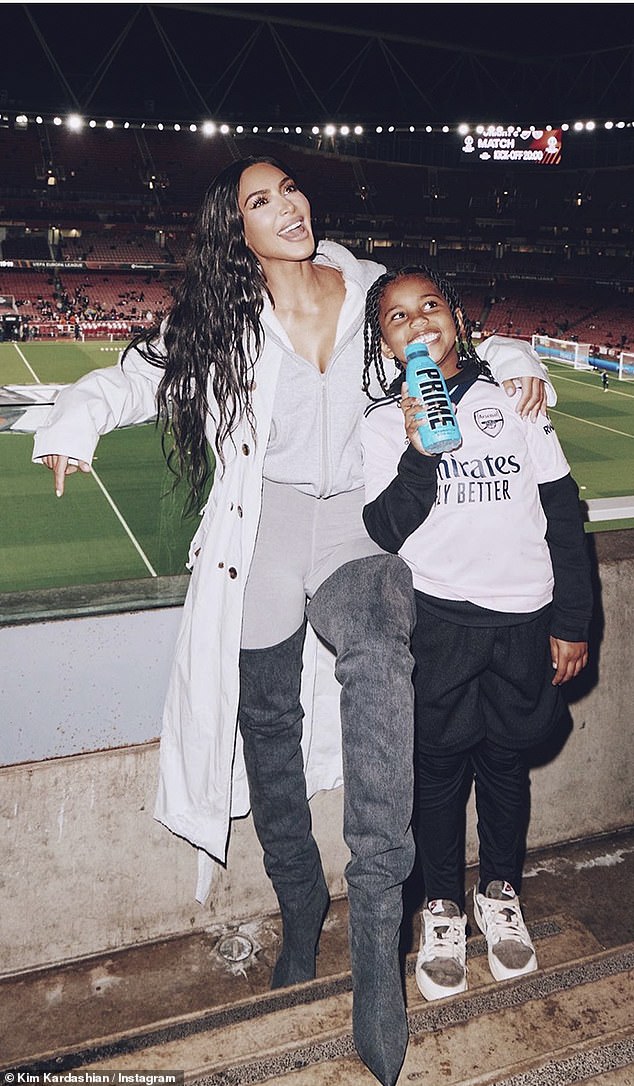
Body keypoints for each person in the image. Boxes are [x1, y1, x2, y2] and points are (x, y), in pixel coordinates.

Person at [32, 159, 552, 1085]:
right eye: (259, 202)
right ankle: (302, 903)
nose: (286, 207)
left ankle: (380, 943)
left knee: (383, 660)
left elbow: (449, 341)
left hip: (355, 523)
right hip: (263, 533)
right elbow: (132, 376)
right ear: (236, 232)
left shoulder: (361, 291)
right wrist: (73, 419)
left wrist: (519, 366)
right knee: (265, 724)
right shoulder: (224, 321)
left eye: (289, 190)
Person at [360, 266, 592, 1003]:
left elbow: (562, 513)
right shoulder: (378, 422)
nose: (418, 320)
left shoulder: (516, 400)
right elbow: (384, 529)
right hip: (442, 623)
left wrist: (573, 619)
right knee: (435, 773)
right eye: (398, 316)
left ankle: (498, 894)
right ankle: (441, 908)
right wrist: (419, 455)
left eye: (430, 305)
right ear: (385, 340)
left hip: (525, 617)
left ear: (455, 317)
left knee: (503, 767)